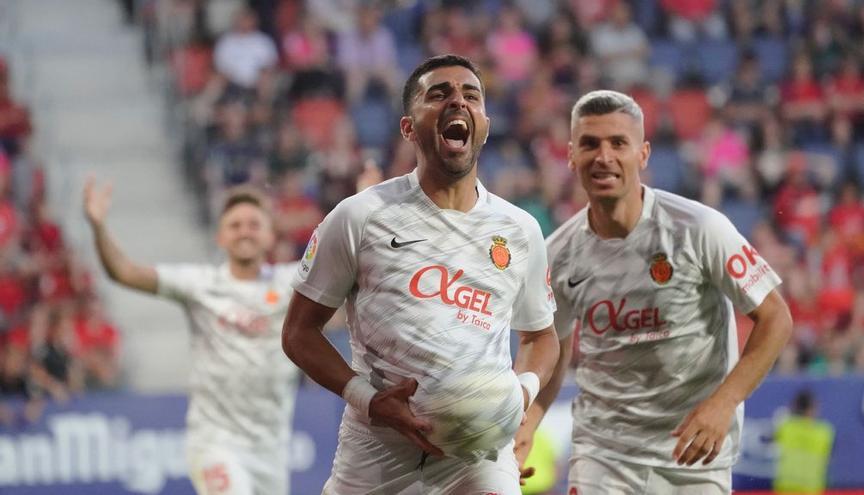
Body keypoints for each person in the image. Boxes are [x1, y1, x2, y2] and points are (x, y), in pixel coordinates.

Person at [281, 54, 559, 494]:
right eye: (439, 94)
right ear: (409, 127)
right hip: (377, 453)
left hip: (478, 455)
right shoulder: (361, 217)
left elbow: (542, 337)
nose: (458, 102)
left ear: (484, 124)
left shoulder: (520, 231)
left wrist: (518, 396)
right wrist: (368, 400)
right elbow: (298, 332)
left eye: (471, 95)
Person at [515, 90, 793, 494]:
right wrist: (527, 424)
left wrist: (723, 402)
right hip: (604, 455)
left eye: (618, 143)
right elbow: (548, 349)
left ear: (643, 155)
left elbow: (776, 317)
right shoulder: (556, 255)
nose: (604, 156)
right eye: (590, 144)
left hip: (694, 457)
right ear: (572, 156)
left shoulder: (699, 229)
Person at [83, 180, 300, 495]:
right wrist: (99, 226)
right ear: (221, 236)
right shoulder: (200, 284)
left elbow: (348, 264)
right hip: (216, 444)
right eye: (235, 225)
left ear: (270, 235)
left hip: (272, 449)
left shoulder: (292, 283)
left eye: (254, 224)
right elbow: (125, 272)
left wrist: (371, 209)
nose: (245, 231)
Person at [773, 390, 834, 495]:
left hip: (786, 488)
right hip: (811, 489)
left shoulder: (786, 427)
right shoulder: (824, 432)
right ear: (813, 408)